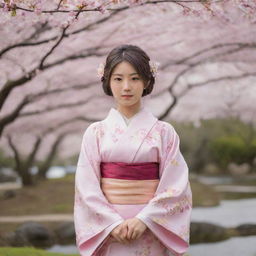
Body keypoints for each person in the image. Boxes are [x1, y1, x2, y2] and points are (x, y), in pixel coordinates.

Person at [73, 44, 192, 256]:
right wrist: (112, 224)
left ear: (147, 81)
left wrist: (144, 219)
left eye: (135, 78)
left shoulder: (164, 132)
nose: (126, 86)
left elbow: (176, 186)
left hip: (150, 228)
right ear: (108, 81)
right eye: (118, 79)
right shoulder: (95, 132)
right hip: (109, 230)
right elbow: (86, 188)